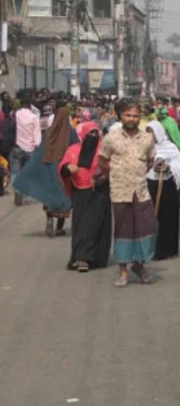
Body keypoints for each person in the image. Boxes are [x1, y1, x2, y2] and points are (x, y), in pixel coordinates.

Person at [98, 100, 159, 288]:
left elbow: (150, 161)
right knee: (123, 230)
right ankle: (123, 270)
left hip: (141, 191)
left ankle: (140, 266)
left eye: (135, 115)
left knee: (145, 228)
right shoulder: (111, 138)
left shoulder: (147, 139)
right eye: (128, 115)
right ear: (120, 116)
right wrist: (116, 175)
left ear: (140, 117)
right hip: (119, 192)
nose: (131, 119)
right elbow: (102, 161)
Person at [12, 105, 74, 236]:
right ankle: (59, 227)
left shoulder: (49, 132)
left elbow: (41, 151)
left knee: (50, 196)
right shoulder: (70, 132)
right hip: (64, 170)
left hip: (49, 168)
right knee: (63, 197)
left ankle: (50, 219)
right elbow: (77, 147)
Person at [59, 121, 111, 272]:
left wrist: (103, 174)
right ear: (82, 134)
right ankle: (79, 256)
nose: (93, 136)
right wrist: (68, 168)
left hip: (100, 191)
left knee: (94, 224)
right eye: (90, 133)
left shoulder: (103, 149)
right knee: (80, 224)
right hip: (80, 192)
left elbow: (112, 164)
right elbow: (62, 166)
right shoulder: (73, 150)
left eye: (96, 133)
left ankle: (86, 258)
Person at [146, 121, 180, 260]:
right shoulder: (143, 147)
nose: (149, 135)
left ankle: (166, 249)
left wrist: (168, 166)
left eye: (151, 132)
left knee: (167, 217)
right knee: (149, 217)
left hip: (167, 185)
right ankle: (149, 249)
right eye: (147, 132)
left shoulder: (170, 147)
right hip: (149, 184)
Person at [9, 97, 41, 206]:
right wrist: (37, 146)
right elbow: (37, 134)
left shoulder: (16, 114)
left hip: (16, 147)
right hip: (30, 148)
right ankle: (25, 196)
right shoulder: (34, 117)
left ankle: (17, 189)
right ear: (30, 105)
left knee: (15, 171)